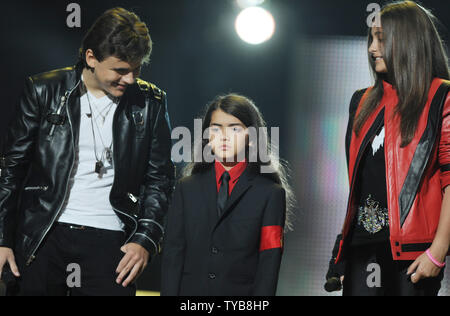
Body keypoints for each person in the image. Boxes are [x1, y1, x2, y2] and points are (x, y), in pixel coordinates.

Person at [0, 7, 174, 296]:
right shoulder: (44, 90)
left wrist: (145, 239)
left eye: (137, 68)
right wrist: (2, 238)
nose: (130, 79)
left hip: (112, 239)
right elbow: (11, 170)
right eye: (120, 70)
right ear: (91, 58)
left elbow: (160, 181)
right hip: (44, 233)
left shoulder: (150, 103)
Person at [326, 1, 450, 296]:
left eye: (381, 39)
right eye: (371, 38)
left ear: (408, 40)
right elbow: (360, 187)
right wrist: (344, 254)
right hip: (362, 250)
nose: (372, 48)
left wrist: (437, 252)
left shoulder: (441, 96)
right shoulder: (361, 102)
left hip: (412, 254)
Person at [161, 94, 294, 296]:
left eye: (234, 128)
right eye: (215, 128)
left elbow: (269, 263)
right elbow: (173, 255)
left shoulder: (270, 194)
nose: (224, 136)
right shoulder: (186, 189)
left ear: (252, 137)